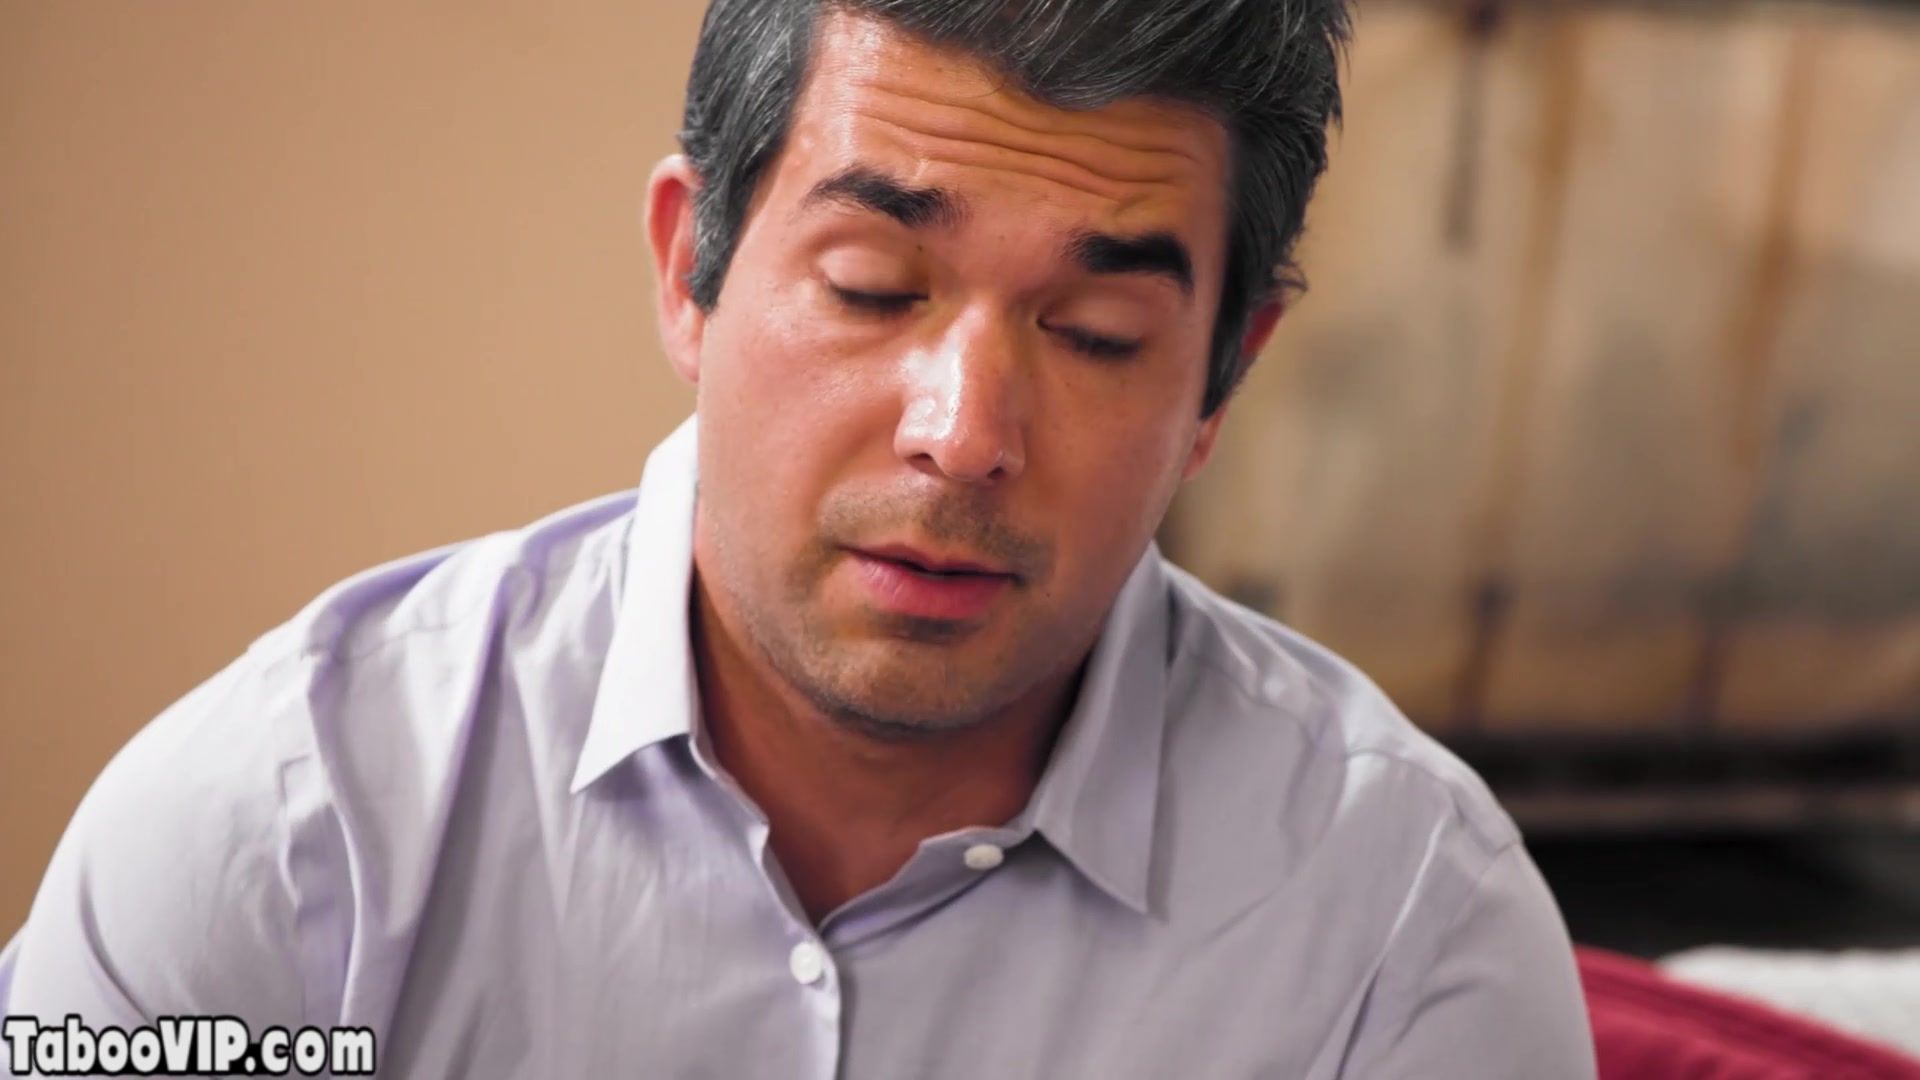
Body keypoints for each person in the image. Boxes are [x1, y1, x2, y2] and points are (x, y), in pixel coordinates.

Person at [3, 0, 1596, 1076]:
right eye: (872, 290)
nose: (963, 432)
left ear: (1219, 385)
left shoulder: (1403, 931)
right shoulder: (285, 833)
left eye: (1098, 331)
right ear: (689, 270)